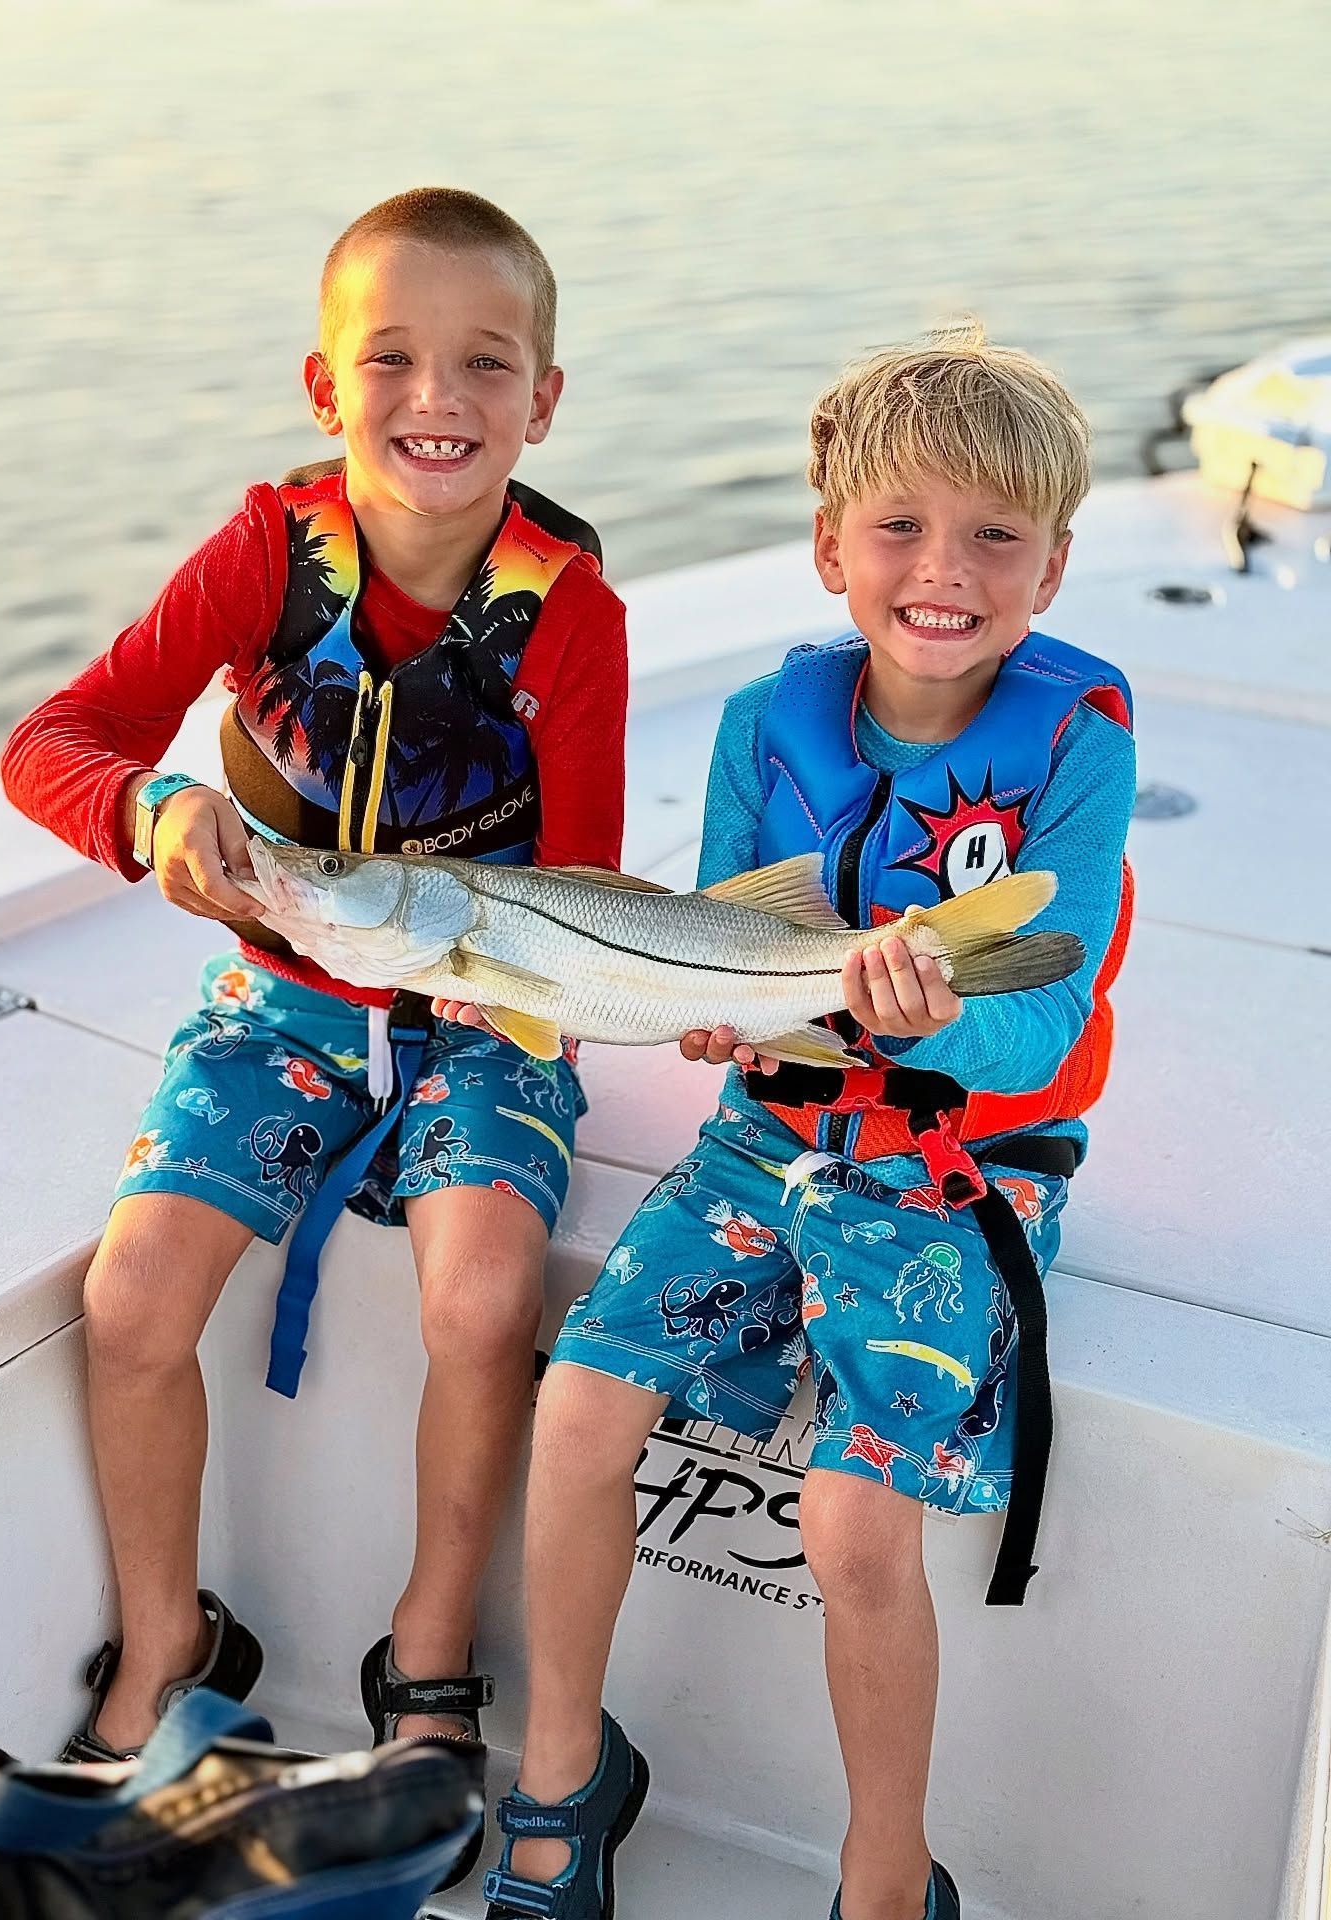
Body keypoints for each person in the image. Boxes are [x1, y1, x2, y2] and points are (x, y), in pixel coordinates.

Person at [0, 188, 627, 1894]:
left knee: (484, 1294)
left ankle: (426, 1671)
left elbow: (580, 892)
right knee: (129, 1300)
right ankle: (165, 1655)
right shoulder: (261, 555)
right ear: (323, 385)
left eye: (486, 362)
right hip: (285, 988)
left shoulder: (570, 612)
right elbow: (50, 743)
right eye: (395, 359)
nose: (441, 394)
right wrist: (154, 805)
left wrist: (676, 1005)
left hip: (490, 1014)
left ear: (544, 401)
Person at [481, 324, 1136, 1920]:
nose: (945, 571)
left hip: (957, 1160)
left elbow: (1049, 1003)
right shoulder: (764, 728)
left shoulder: (1077, 740)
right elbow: (717, 941)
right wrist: (716, 1014)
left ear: (1051, 568)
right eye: (901, 527)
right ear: (830, 543)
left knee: (852, 1525)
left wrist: (936, 1018)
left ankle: (886, 1871)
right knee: (574, 1409)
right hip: (767, 1131)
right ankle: (565, 1768)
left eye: (995, 537)